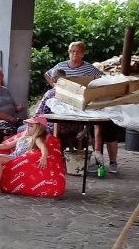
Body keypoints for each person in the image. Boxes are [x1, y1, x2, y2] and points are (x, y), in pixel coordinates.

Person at [45, 41, 117, 173]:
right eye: (72, 51)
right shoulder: (61, 66)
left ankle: (103, 160)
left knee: (99, 129)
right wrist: (55, 87)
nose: (74, 54)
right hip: (65, 104)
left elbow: (103, 79)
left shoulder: (88, 68)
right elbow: (48, 74)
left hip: (83, 103)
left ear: (82, 54)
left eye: (78, 51)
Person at [0, 116, 49, 195]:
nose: (28, 128)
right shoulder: (23, 137)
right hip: (12, 156)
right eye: (28, 125)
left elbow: (43, 147)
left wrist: (43, 157)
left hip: (18, 159)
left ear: (39, 129)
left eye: (31, 126)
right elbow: (7, 145)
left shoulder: (36, 139)